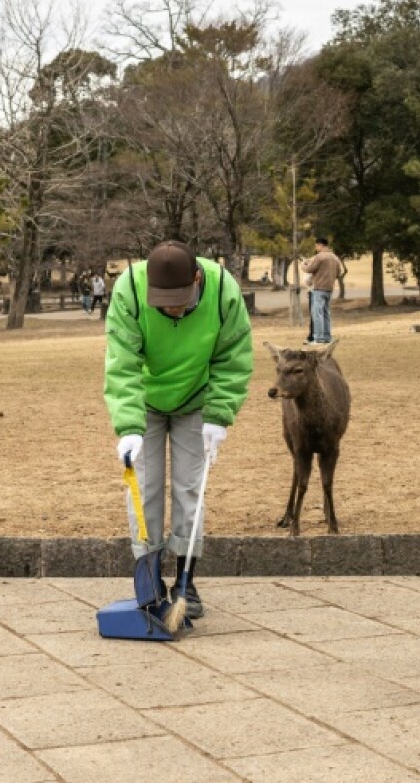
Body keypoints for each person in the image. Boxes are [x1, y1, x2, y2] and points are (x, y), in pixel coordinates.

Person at [104, 240, 253, 618]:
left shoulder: (223, 291)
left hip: (198, 399)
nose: (171, 307)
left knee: (190, 487)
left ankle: (186, 582)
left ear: (197, 278)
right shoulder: (129, 290)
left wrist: (219, 416)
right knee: (145, 487)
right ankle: (149, 580)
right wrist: (129, 426)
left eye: (179, 298)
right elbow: (122, 362)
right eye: (163, 300)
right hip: (145, 402)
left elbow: (232, 357)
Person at [302, 237, 342, 345]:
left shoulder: (320, 257)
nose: (316, 248)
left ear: (320, 245)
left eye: (316, 246)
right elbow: (339, 272)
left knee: (317, 313)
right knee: (326, 313)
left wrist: (304, 265)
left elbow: (310, 269)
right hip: (329, 288)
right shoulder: (335, 257)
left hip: (319, 288)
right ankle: (327, 337)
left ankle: (318, 338)